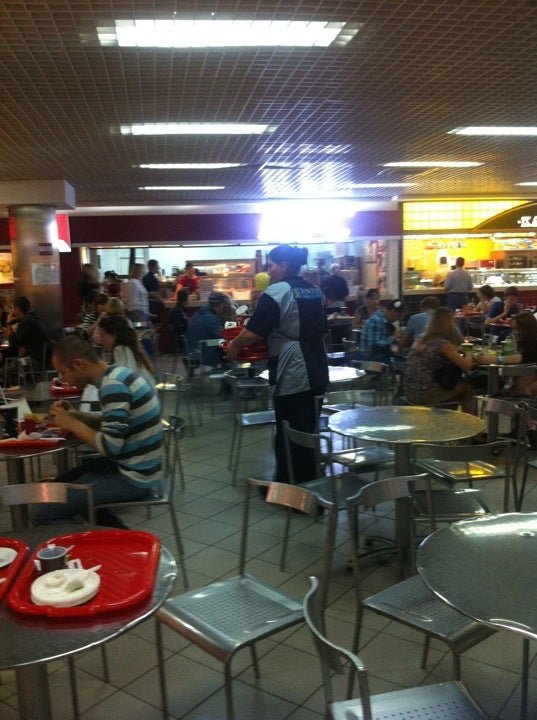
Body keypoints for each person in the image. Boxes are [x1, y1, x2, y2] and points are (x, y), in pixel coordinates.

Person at [33, 336, 163, 528]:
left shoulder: (113, 386)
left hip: (134, 476)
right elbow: (112, 422)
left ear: (79, 364)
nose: (62, 379)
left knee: (46, 514)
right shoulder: (117, 374)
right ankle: (120, 538)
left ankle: (104, 542)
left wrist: (72, 424)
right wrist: (76, 415)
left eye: (63, 372)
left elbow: (111, 447)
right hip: (136, 467)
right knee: (56, 488)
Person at [226, 244, 328, 485]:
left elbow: (253, 332)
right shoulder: (314, 290)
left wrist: (235, 344)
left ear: (284, 265)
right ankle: (311, 480)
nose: (268, 271)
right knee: (308, 428)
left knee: (289, 430)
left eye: (271, 265)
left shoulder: (277, 292)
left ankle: (291, 487)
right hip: (318, 365)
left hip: (294, 369)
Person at [403, 307, 476, 413]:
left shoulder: (419, 339)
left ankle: (445, 419)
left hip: (410, 392)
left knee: (453, 388)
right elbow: (467, 366)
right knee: (467, 388)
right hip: (426, 394)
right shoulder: (443, 344)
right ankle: (469, 422)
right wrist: (468, 351)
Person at [476, 311, 537, 396]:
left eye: (517, 328)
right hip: (513, 384)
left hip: (521, 390)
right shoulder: (523, 341)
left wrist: (496, 359)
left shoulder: (534, 343)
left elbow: (521, 357)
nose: (514, 332)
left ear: (527, 329)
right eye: (513, 328)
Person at [98, 314, 156, 387]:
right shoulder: (130, 348)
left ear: (114, 335)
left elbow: (122, 380)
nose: (101, 340)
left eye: (102, 336)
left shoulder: (121, 350)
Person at [3, 296, 50, 365]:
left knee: (7, 367)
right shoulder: (32, 318)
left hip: (36, 360)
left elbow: (15, 343)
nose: (12, 311)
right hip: (42, 357)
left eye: (12, 308)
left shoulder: (26, 322)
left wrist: (8, 323)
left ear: (17, 308)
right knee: (13, 361)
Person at [186, 291, 228, 366]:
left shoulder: (199, 313)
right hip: (205, 354)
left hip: (193, 351)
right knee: (230, 345)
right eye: (223, 304)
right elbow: (222, 336)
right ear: (221, 304)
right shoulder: (211, 318)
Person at [169, 287, 189, 352]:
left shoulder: (175, 309)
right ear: (185, 301)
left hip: (176, 338)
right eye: (187, 299)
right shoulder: (180, 311)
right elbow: (185, 326)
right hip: (181, 339)